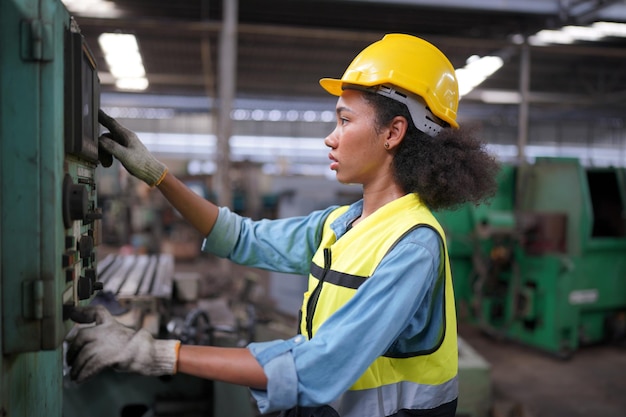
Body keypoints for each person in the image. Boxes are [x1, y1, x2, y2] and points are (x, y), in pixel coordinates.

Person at [66, 33, 500, 417]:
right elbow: (241, 238)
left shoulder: (413, 246)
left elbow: (317, 367)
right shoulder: (341, 223)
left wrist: (157, 353)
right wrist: (158, 176)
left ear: (393, 132)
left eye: (345, 120)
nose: (330, 137)